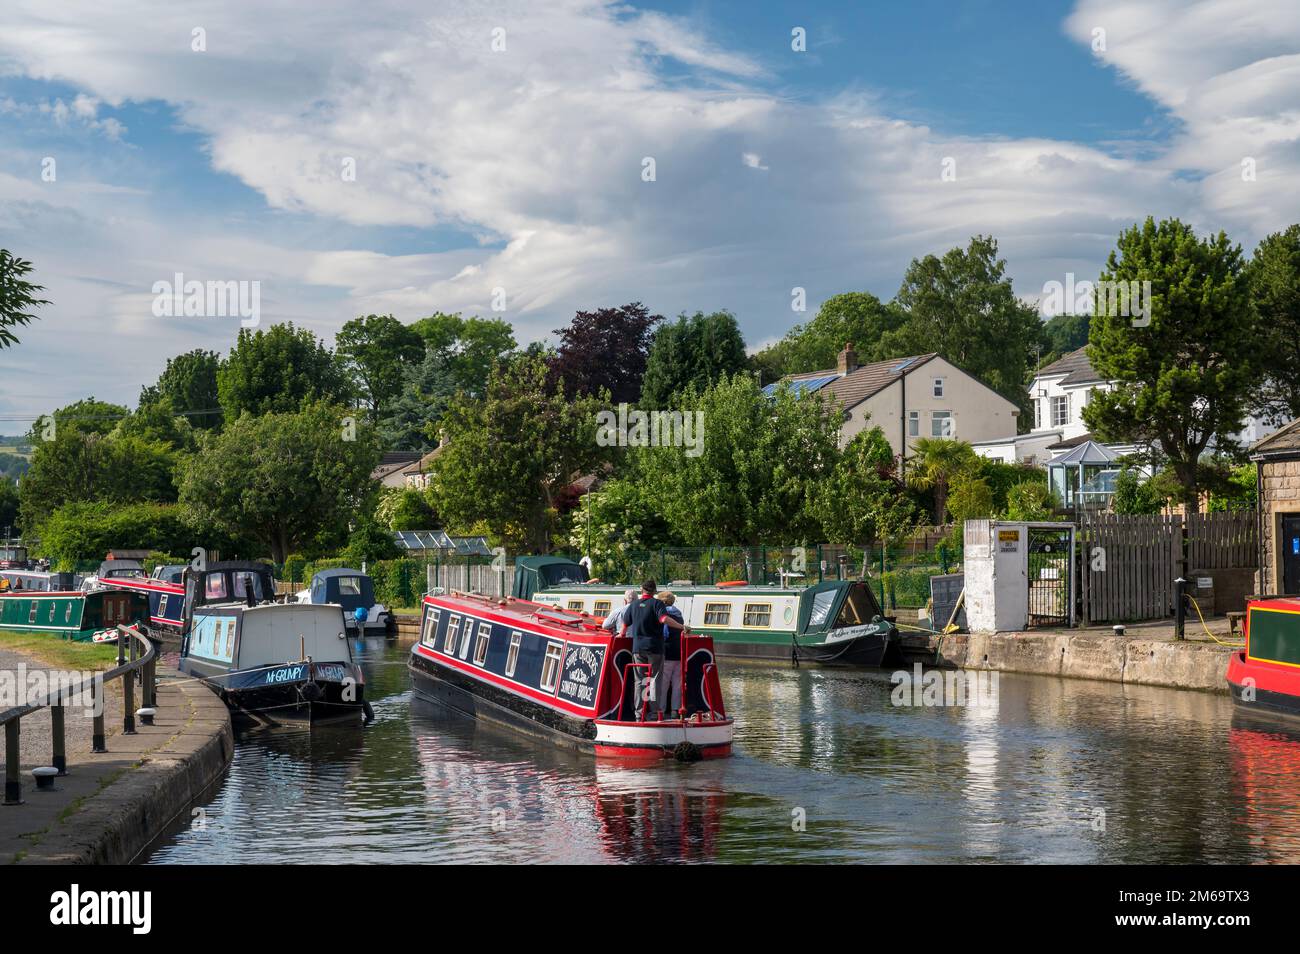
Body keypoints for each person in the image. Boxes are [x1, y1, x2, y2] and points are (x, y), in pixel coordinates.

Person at [620, 580, 683, 721]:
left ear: (642, 590)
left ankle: (639, 714)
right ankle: (654, 713)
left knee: (639, 681)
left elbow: (625, 624)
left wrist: (621, 634)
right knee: (654, 680)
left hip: (637, 649)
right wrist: (680, 626)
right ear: (654, 591)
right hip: (655, 649)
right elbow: (664, 619)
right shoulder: (657, 604)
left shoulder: (634, 605)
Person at [658, 591, 686, 716]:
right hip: (679, 652)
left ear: (663, 602)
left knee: (663, 683)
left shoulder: (664, 614)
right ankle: (675, 710)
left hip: (667, 651)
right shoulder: (679, 614)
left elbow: (663, 633)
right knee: (677, 684)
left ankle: (661, 710)